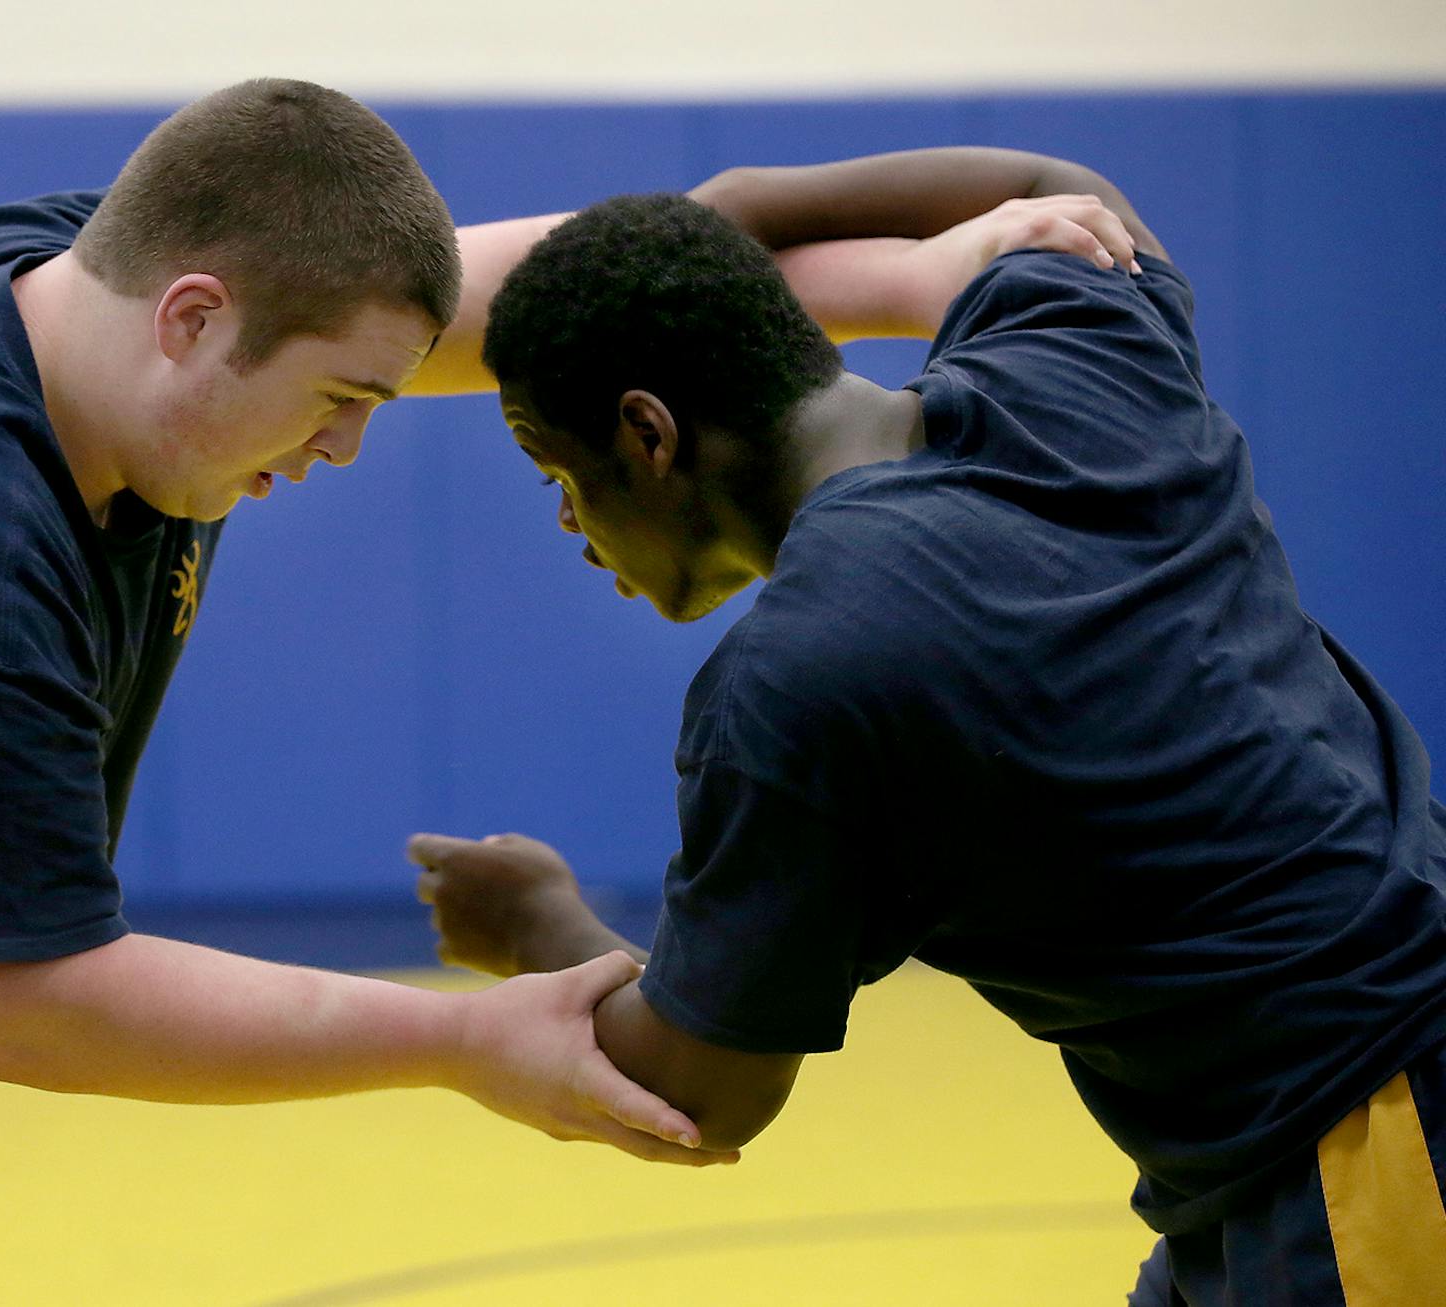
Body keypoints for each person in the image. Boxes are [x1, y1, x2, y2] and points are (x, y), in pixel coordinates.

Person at [0, 77, 1139, 1300]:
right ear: (192, 319)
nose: (343, 452)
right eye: (336, 403)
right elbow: (37, 1002)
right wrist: (457, 1034)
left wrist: (922, 265)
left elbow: (547, 285)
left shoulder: (74, 284)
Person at [410, 145, 1446, 1305]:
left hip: (1368, 1138)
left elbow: (698, 1095)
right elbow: (1073, 201)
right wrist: (747, 203)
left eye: (556, 470)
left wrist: (536, 923)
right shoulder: (1078, 362)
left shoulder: (804, 675)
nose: (565, 518)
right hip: (1326, 1114)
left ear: (648, 438)